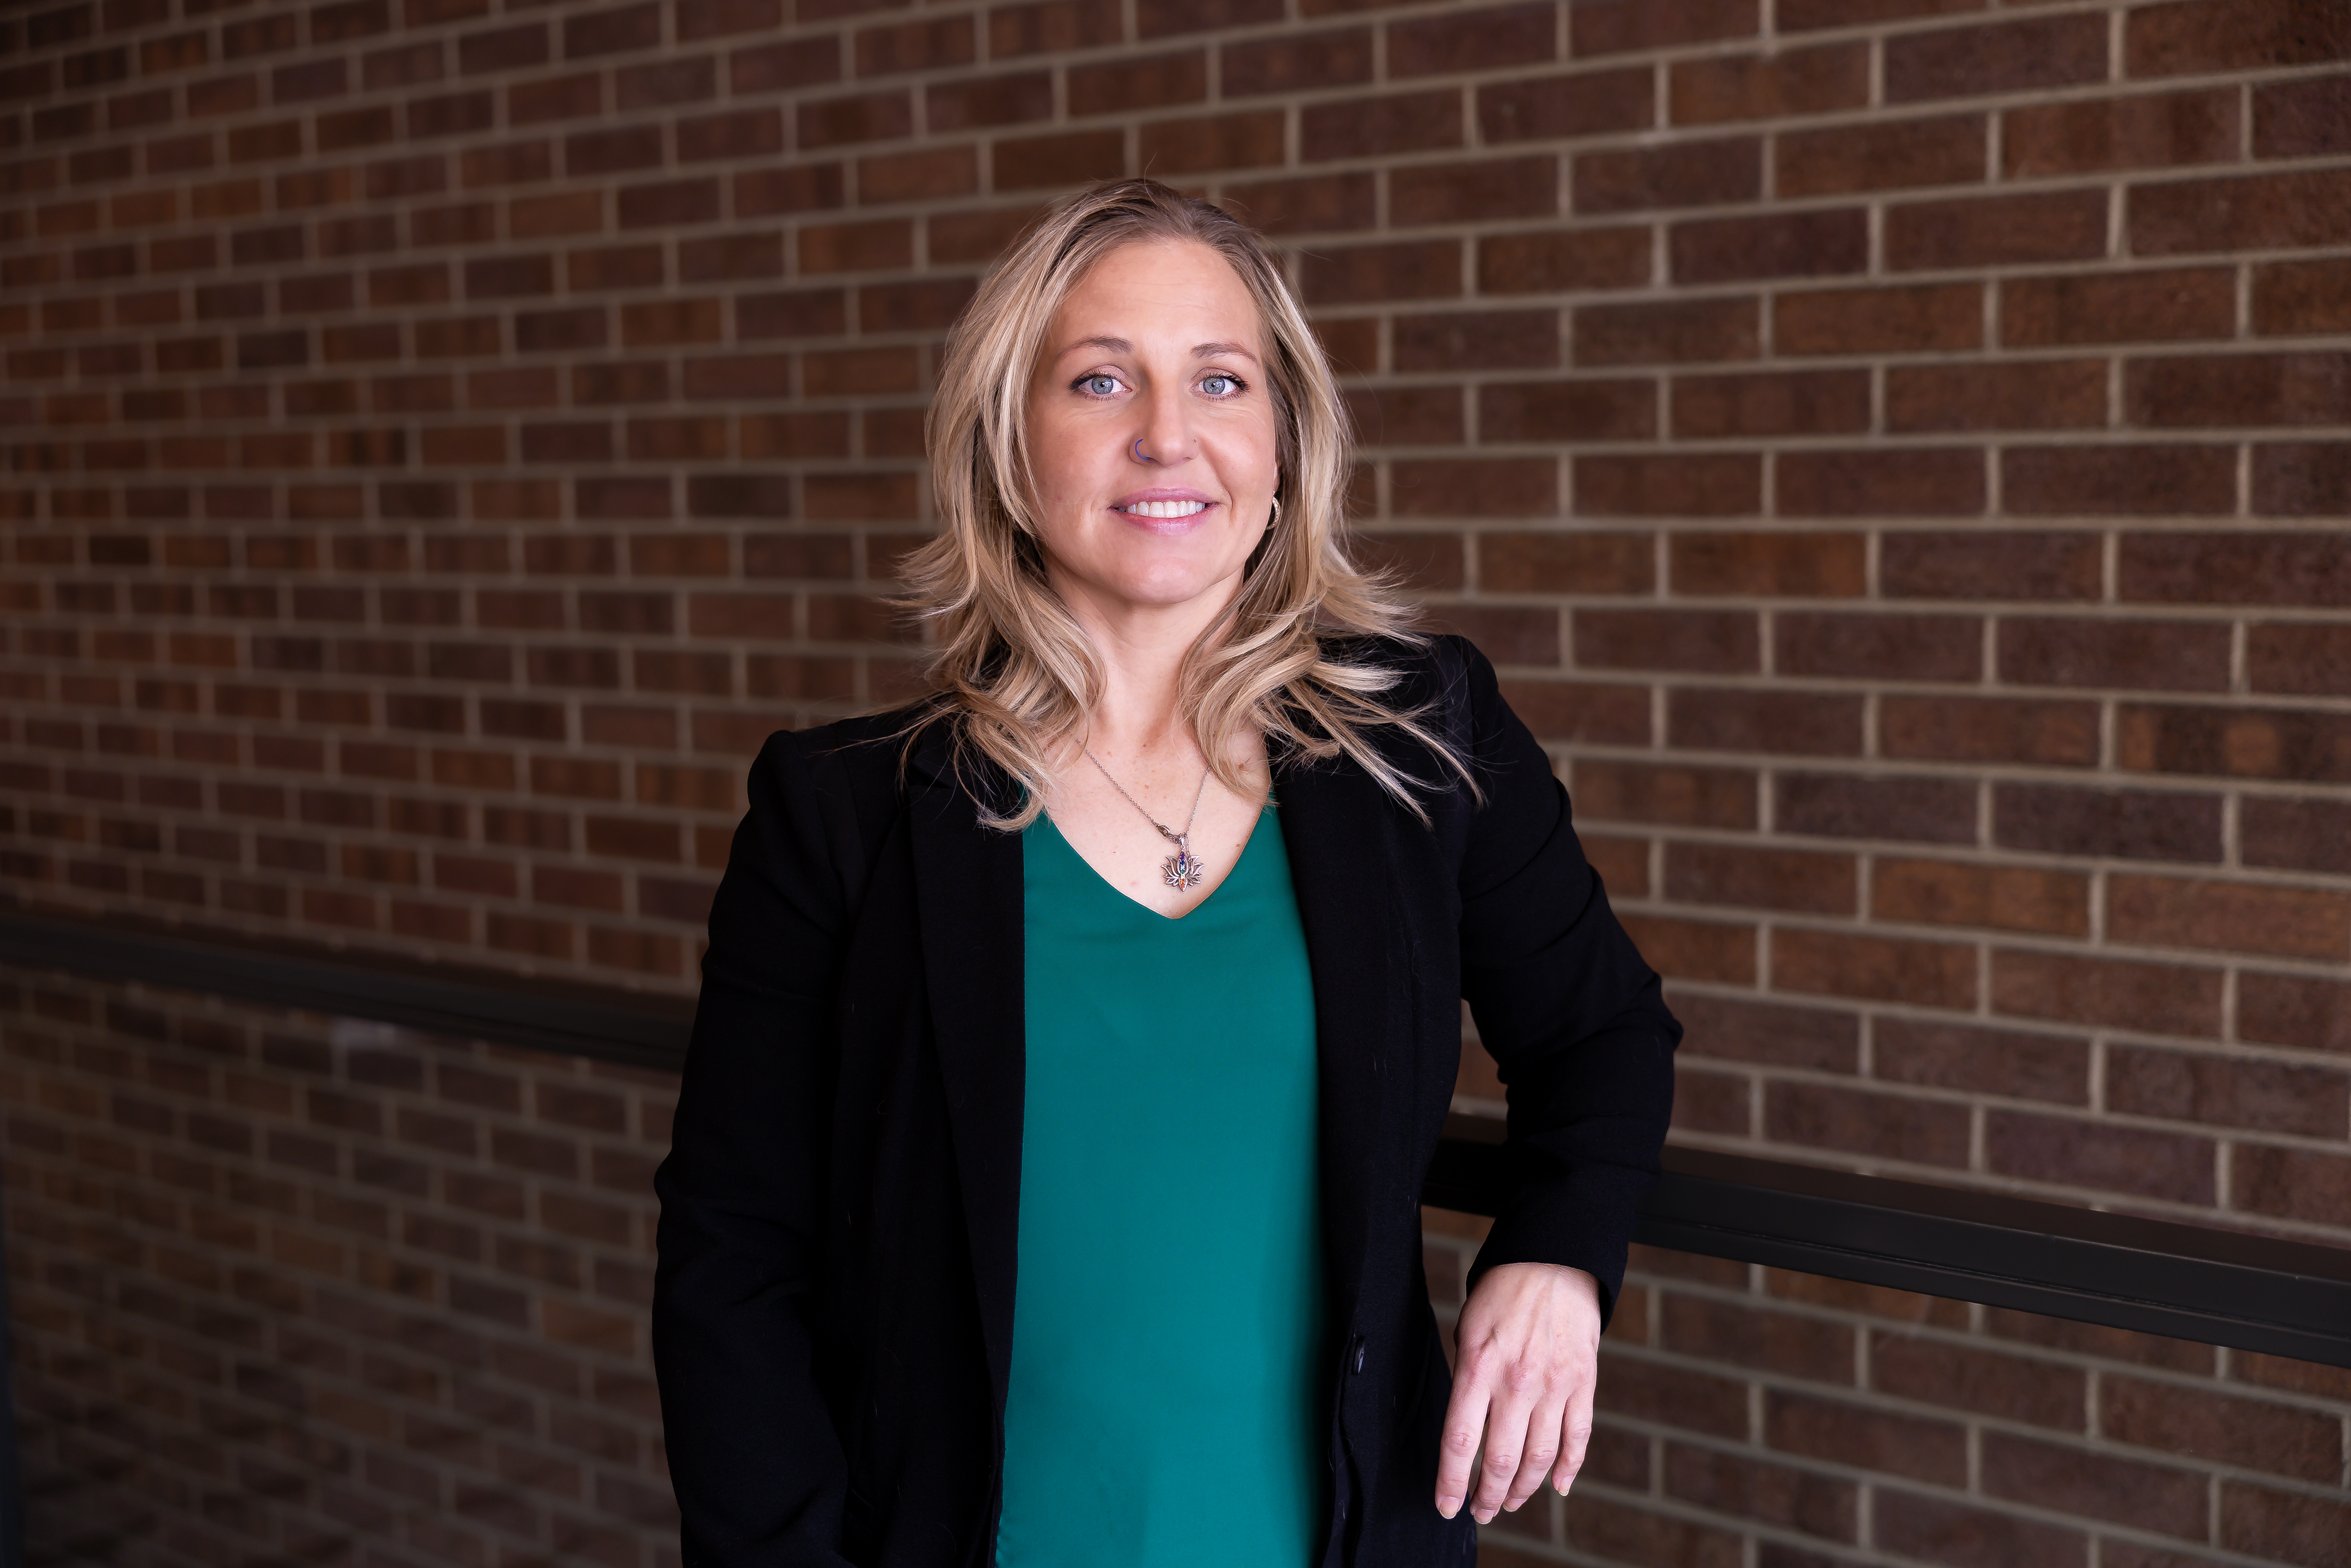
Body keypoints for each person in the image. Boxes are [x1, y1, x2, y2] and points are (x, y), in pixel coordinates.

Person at [652, 178, 1679, 1568]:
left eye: (1218, 378)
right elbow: (731, 1257)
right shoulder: (844, 814)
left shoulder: (1420, 740)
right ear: (1007, 444)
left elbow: (1601, 1032)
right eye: (1098, 379)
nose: (1166, 435)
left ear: (1282, 440)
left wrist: (1556, 1252)